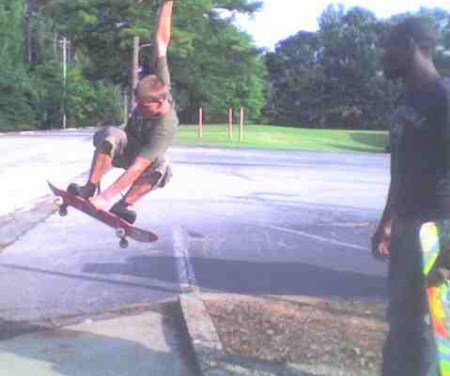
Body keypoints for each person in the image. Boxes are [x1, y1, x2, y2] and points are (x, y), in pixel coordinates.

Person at [372, 17, 450, 376]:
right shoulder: (408, 100)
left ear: (411, 46)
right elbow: (399, 168)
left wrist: (447, 250)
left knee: (429, 329)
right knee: (402, 322)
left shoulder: (443, 101)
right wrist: (386, 222)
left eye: (388, 48)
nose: (383, 57)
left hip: (437, 231)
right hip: (406, 227)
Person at [68, 0, 178, 224]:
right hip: (125, 148)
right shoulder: (160, 82)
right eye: (137, 104)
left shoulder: (166, 125)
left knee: (163, 166)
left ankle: (123, 205)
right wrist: (168, 4)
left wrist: (106, 197)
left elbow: (139, 166)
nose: (138, 109)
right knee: (111, 133)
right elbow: (161, 40)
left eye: (144, 108)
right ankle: (89, 189)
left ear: (160, 103)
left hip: (142, 160)